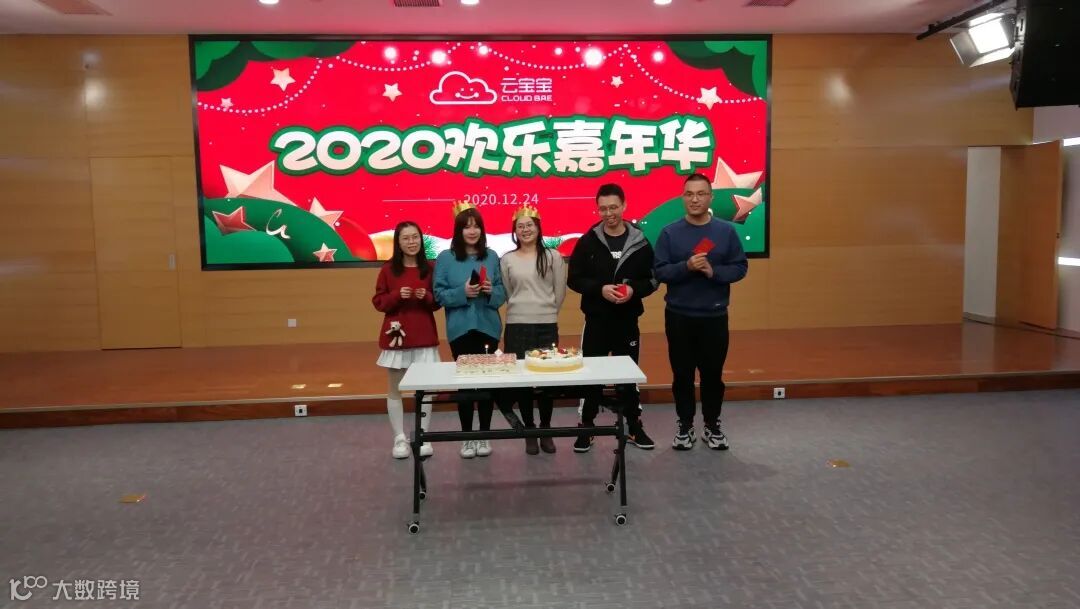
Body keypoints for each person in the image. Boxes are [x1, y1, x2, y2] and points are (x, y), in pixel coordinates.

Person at [653, 173, 748, 451]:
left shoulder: (725, 231)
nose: (694, 199)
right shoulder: (669, 232)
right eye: (689, 194)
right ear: (683, 197)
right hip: (679, 316)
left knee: (712, 375)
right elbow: (659, 271)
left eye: (701, 193)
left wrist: (713, 272)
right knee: (682, 375)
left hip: (714, 317)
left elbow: (740, 267)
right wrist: (686, 267)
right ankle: (685, 426)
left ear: (710, 197)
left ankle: (712, 425)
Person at [567, 183, 658, 452]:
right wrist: (600, 289)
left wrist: (633, 290)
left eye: (614, 207)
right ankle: (587, 427)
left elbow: (653, 279)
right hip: (596, 321)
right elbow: (574, 279)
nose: (609, 214)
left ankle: (633, 426)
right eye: (603, 209)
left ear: (624, 206)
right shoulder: (588, 241)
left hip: (627, 321)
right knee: (591, 377)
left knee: (627, 378)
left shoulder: (641, 242)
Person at [433, 203, 507, 459]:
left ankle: (484, 434)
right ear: (459, 230)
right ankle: (466, 437)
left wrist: (490, 290)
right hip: (460, 329)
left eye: (476, 226)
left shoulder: (492, 256)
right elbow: (439, 295)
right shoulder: (446, 258)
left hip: (488, 327)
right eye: (467, 227)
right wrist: (462, 292)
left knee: (486, 383)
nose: (472, 231)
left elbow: (502, 292)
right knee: (465, 385)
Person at [500, 204, 567, 455]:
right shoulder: (507, 259)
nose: (525, 229)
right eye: (520, 226)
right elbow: (509, 292)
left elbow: (559, 291)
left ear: (538, 228)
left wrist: (545, 312)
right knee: (523, 381)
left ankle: (546, 429)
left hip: (546, 324)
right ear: (515, 231)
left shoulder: (553, 256)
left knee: (547, 381)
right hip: (517, 325)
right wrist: (523, 310)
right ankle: (529, 430)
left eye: (529, 225)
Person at [372, 221, 440, 459]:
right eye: (406, 238)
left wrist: (426, 296)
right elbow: (379, 302)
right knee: (396, 389)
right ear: (398, 242)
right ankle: (399, 438)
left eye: (415, 237)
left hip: (424, 334)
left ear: (421, 240)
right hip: (397, 337)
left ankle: (423, 435)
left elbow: (438, 302)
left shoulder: (430, 268)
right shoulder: (388, 270)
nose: (412, 242)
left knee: (427, 390)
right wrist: (395, 296)